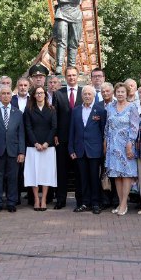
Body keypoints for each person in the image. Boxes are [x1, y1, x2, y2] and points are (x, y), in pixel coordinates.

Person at [43, 0, 88, 73]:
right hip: (62, 11)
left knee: (74, 41)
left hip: (75, 11)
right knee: (61, 40)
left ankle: (71, 67)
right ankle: (58, 66)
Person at [0, 85, 25, 213]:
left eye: (8, 93)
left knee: (13, 178)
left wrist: (21, 152)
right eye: (3, 93)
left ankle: (11, 202)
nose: (6, 96)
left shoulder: (18, 113)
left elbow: (21, 134)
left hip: (13, 151)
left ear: (11, 96)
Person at [68, 86, 107, 213]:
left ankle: (96, 203)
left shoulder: (100, 111)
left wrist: (102, 148)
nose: (87, 96)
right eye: (85, 94)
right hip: (79, 150)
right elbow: (72, 131)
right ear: (82, 96)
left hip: (95, 150)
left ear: (94, 95)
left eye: (89, 94)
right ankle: (84, 203)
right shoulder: (76, 110)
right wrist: (71, 149)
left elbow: (103, 132)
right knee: (82, 178)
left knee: (94, 178)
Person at [104, 83, 140, 216]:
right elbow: (107, 126)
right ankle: (120, 203)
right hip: (113, 146)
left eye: (122, 92)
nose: (120, 94)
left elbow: (134, 127)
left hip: (126, 146)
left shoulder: (132, 107)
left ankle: (124, 204)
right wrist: (105, 142)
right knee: (117, 176)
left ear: (127, 93)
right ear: (115, 93)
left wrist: (130, 143)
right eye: (118, 92)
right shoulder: (110, 107)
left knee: (127, 175)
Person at [23, 86, 57, 211]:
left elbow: (54, 127)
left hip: (48, 147)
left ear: (45, 95)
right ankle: (36, 199)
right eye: (37, 93)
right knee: (34, 173)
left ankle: (44, 200)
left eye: (42, 93)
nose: (39, 95)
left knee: (46, 173)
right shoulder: (29, 110)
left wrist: (47, 143)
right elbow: (28, 127)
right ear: (33, 96)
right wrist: (35, 143)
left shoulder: (52, 109)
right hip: (33, 147)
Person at [53, 67, 81, 209]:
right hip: (62, 138)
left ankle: (80, 200)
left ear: (78, 77)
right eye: (69, 75)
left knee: (79, 171)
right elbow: (54, 116)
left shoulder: (84, 92)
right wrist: (55, 134)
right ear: (65, 77)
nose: (71, 78)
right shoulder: (58, 94)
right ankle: (61, 199)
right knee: (62, 170)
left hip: (79, 139)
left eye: (74, 75)